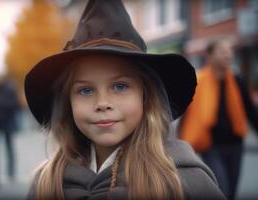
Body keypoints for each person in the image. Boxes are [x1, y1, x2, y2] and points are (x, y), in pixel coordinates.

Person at [24, 0, 225, 199]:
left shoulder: (184, 182)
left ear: (146, 97)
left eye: (120, 86)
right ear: (68, 103)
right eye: (85, 90)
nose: (102, 103)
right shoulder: (47, 184)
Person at [179, 39, 258, 200]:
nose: (228, 54)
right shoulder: (198, 80)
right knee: (222, 189)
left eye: (230, 51)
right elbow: (186, 111)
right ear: (210, 55)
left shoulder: (237, 80)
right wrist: (181, 141)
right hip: (211, 145)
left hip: (236, 143)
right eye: (222, 51)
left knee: (232, 190)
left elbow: (250, 110)